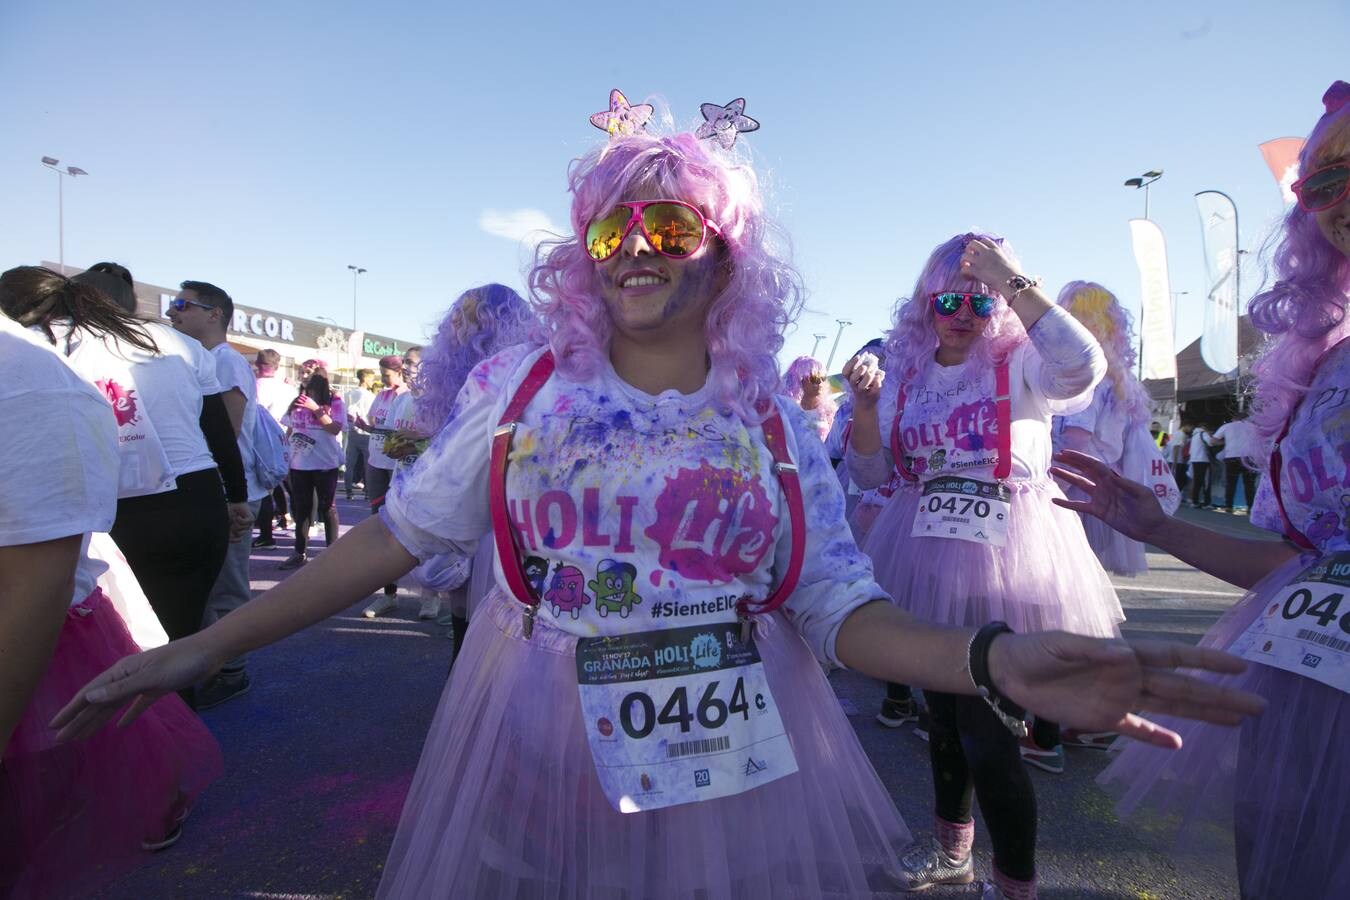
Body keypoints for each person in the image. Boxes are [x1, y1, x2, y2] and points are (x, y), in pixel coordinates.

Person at [52, 118, 1261, 900]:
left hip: (732, 757)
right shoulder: (523, 393)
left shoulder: (769, 419)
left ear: (725, 254)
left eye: (669, 224)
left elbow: (838, 607)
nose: (634, 249)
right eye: (611, 229)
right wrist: (200, 645)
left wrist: (987, 657)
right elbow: (392, 539)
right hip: (533, 729)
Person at [1054, 80, 1350, 899]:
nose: (1342, 199)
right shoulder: (1326, 361)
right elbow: (1307, 565)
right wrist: (1159, 526)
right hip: (1305, 685)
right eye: (1324, 179)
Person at [844, 233, 1124, 895]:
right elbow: (870, 471)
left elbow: (1084, 369)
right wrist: (862, 407)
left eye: (980, 299)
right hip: (925, 556)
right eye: (947, 300)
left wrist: (1013, 280)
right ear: (924, 304)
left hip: (1012, 560)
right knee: (942, 716)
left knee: (990, 733)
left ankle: (1015, 882)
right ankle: (953, 853)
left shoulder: (1021, 359)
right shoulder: (907, 376)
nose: (962, 313)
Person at [0, 296, 222, 898]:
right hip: (152, 504)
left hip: (135, 507)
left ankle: (159, 781)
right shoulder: (69, 359)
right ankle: (162, 781)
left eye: (187, 303)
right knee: (158, 651)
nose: (176, 312)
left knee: (148, 661)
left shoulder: (39, 366)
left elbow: (224, 417)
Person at [0, 267, 251, 670]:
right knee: (177, 645)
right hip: (196, 502)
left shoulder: (46, 342)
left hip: (116, 511)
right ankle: (176, 725)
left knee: (111, 656)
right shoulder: (177, 342)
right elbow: (219, 432)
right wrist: (236, 497)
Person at [399, 285, 540, 638]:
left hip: (501, 521)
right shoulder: (463, 372)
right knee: (467, 622)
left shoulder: (516, 371)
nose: (457, 328)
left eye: (469, 319)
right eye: (457, 319)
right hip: (466, 517)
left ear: (493, 322)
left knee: (495, 626)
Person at [167, 280, 266, 708]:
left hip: (230, 491)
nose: (172, 312)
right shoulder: (202, 359)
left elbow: (224, 434)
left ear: (214, 314)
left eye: (181, 305)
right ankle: (210, 665)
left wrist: (229, 496)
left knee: (227, 586)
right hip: (218, 490)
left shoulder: (225, 362)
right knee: (209, 585)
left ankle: (233, 671)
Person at [1052, 281, 1156, 577]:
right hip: (1106, 488)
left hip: (1078, 491)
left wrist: (1045, 491)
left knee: (1062, 579)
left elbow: (1074, 445)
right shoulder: (1119, 380)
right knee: (1083, 580)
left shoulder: (1089, 378)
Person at [278, 370, 346, 569]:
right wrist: (285, 451)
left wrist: (316, 409)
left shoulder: (335, 403)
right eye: (307, 389)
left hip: (325, 464)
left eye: (313, 390)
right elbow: (289, 429)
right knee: (302, 509)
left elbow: (335, 428)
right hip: (300, 465)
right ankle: (299, 552)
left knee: (328, 508)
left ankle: (332, 553)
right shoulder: (297, 403)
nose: (309, 394)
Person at [361, 354, 410, 616]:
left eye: (386, 375)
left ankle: (431, 595)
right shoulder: (382, 396)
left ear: (400, 372)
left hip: (400, 469)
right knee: (381, 528)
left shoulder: (408, 396)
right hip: (376, 464)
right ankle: (388, 594)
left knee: (410, 529)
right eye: (381, 374)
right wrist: (363, 426)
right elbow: (378, 427)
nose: (382, 379)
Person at [253, 349, 293, 548]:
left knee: (265, 488)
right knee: (286, 483)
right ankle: (289, 517)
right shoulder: (288, 389)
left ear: (258, 365)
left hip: (264, 442)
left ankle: (266, 535)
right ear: (277, 367)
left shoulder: (256, 385)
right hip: (287, 438)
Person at [1212, 413, 1261, 514]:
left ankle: (1229, 506)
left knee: (1231, 483)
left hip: (1231, 457)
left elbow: (1213, 441)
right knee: (1249, 484)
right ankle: (1250, 507)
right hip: (1249, 457)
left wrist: (1226, 442)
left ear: (1234, 418)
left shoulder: (1226, 426)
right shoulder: (1254, 427)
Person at [781, 355, 836, 440]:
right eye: (815, 378)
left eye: (823, 378)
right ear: (799, 380)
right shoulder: (785, 409)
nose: (820, 382)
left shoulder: (828, 412)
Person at [344, 368, 377, 500]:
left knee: (350, 463)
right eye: (371, 378)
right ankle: (368, 492)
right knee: (367, 464)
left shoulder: (349, 394)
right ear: (365, 378)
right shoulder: (371, 396)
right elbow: (372, 416)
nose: (373, 381)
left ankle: (348, 491)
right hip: (366, 432)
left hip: (352, 432)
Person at [1188, 422, 1216, 507]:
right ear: (1205, 428)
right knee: (1206, 481)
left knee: (1197, 481)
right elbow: (1211, 443)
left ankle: (1195, 501)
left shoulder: (1194, 435)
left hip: (1194, 459)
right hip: (1203, 460)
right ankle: (1206, 502)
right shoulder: (1203, 433)